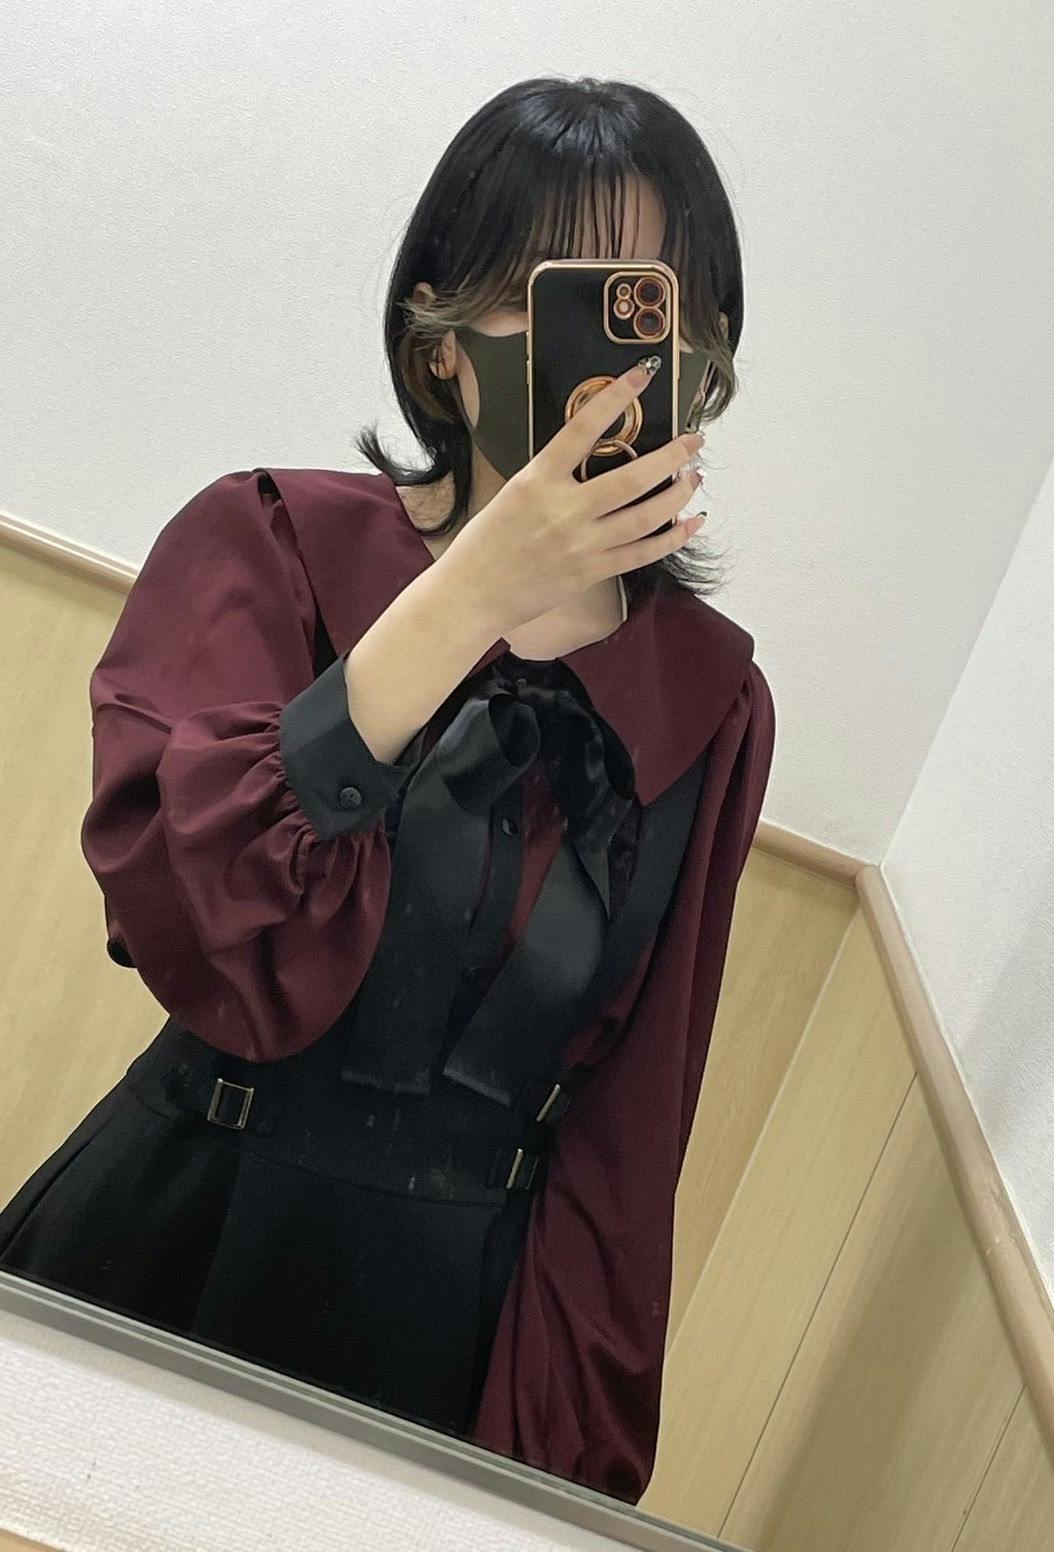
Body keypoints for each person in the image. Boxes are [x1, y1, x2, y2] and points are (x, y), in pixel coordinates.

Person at [0, 76, 775, 1506]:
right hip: (166, 1241)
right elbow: (193, 922)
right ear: (440, 346)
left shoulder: (708, 702)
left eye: (651, 309)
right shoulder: (270, 544)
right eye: (555, 300)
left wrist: (551, 1482)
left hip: (437, 1346)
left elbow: (628, 1140)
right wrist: (474, 591)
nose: (610, 367)